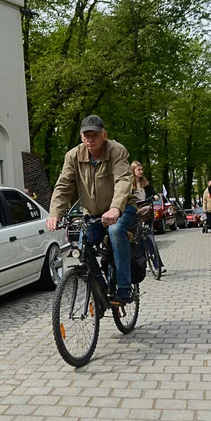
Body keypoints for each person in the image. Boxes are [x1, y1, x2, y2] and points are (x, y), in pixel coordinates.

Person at [48, 115, 137, 304]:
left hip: (122, 207)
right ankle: (99, 286)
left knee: (115, 230)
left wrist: (115, 208)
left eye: (94, 135)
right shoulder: (73, 156)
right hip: (93, 213)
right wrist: (55, 213)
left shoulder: (117, 151)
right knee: (82, 243)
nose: (90, 139)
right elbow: (64, 186)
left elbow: (123, 180)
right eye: (86, 135)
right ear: (81, 137)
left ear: (104, 135)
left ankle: (123, 287)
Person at [131, 160, 167, 273]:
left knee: (150, 238)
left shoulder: (146, 184)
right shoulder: (128, 184)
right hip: (134, 213)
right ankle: (141, 265)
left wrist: (155, 197)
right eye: (138, 170)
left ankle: (157, 265)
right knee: (138, 240)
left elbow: (153, 193)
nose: (141, 172)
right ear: (133, 171)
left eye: (142, 169)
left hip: (146, 213)